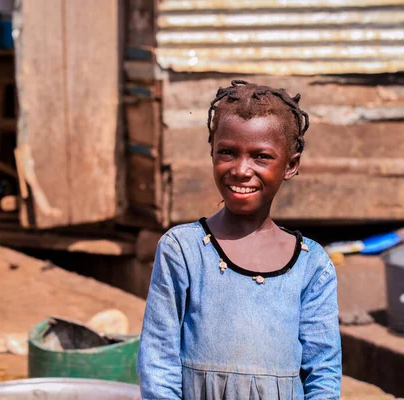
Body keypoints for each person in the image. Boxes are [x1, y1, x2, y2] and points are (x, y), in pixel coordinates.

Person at [137, 80, 342, 399]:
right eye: (228, 153)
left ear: (290, 165)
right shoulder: (183, 250)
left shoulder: (311, 265)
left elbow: (323, 372)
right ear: (212, 152)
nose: (241, 169)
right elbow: (158, 361)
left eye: (261, 157)